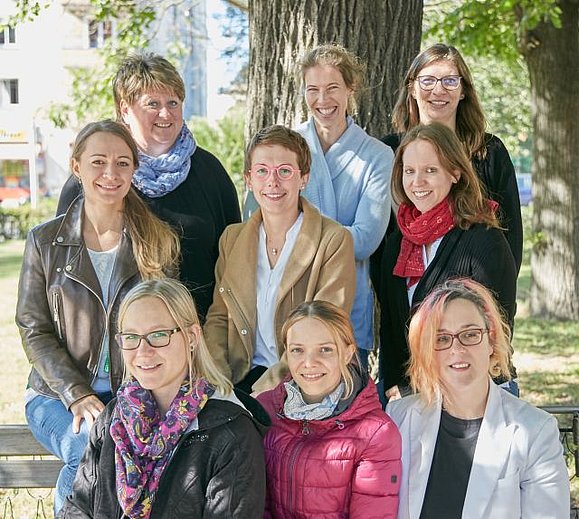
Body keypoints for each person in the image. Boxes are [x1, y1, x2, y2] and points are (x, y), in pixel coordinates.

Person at [16, 120, 180, 513]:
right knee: (85, 447)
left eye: (123, 163)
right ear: (77, 167)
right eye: (99, 162)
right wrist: (77, 394)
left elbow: (167, 327)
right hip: (56, 395)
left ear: (134, 170)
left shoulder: (157, 239)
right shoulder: (45, 241)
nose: (111, 173)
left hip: (134, 392)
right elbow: (33, 328)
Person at [59, 278, 268, 518]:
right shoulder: (114, 419)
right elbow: (78, 507)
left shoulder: (231, 433)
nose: (143, 351)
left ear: (191, 337)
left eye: (158, 335)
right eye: (131, 337)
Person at [57, 53, 240, 320]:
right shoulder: (92, 181)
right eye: (152, 103)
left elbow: (233, 262)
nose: (165, 114)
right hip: (116, 342)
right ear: (125, 110)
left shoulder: (210, 172)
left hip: (199, 338)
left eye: (173, 103)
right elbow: (62, 269)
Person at [244, 44, 392, 368]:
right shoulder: (282, 147)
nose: (322, 100)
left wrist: (291, 233)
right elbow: (253, 223)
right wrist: (334, 238)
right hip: (278, 304)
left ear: (350, 89)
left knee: (335, 413)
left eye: (332, 88)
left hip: (344, 306)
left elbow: (365, 239)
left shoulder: (377, 156)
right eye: (313, 89)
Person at [386, 278, 570, 519]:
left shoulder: (534, 432)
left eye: (470, 335)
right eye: (441, 339)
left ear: (491, 341)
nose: (457, 349)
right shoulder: (398, 419)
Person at [204, 125, 355, 394]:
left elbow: (324, 331)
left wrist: (261, 394)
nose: (273, 182)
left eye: (284, 171)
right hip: (239, 379)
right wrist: (219, 384)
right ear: (249, 179)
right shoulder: (232, 238)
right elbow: (219, 318)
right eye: (262, 171)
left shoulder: (332, 240)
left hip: (305, 380)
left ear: (304, 178)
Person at [378, 123, 517, 401]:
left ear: (455, 172)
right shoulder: (397, 243)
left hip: (476, 393)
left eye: (430, 170)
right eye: (409, 171)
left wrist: (419, 389)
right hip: (410, 397)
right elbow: (392, 330)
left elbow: (494, 333)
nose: (417, 182)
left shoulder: (484, 239)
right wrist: (397, 388)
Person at [379, 43, 522, 275]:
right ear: (412, 88)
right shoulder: (390, 150)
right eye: (427, 80)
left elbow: (510, 238)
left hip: (476, 290)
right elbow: (383, 237)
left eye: (450, 81)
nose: (438, 90)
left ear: (463, 90)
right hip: (402, 292)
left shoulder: (489, 152)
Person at [257, 301, 402, 518]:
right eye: (297, 350)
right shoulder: (266, 409)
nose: (309, 363)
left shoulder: (375, 433)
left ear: (347, 353)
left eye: (325, 349)